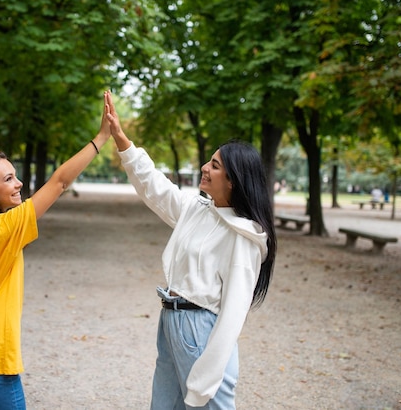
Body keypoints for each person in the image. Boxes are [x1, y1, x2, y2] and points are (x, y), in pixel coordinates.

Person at [0, 98, 111, 410]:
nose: (19, 183)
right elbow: (60, 181)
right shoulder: (4, 228)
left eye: (15, 175)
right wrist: (101, 138)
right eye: (8, 179)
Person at [104, 91, 277, 409]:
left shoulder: (243, 236)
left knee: (211, 405)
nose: (204, 167)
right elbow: (153, 185)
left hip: (200, 329)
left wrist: (210, 373)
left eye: (215, 165)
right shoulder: (199, 209)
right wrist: (120, 136)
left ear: (234, 180)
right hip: (170, 320)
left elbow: (234, 313)